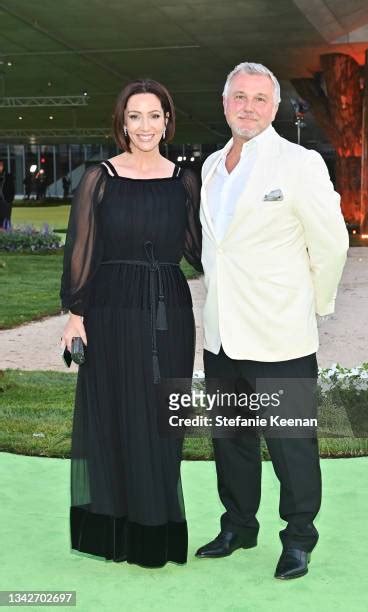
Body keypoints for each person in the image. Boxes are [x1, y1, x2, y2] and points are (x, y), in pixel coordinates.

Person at [195, 62, 349, 579]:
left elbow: (330, 242)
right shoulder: (212, 166)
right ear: (225, 103)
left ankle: (299, 537)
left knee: (291, 446)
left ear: (275, 106)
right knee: (232, 441)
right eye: (239, 96)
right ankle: (239, 525)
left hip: (281, 333)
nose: (248, 107)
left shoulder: (299, 163)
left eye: (260, 99)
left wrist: (314, 304)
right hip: (221, 334)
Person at [60, 79, 202, 568]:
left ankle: (155, 530)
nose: (145, 126)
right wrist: (76, 314)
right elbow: (82, 248)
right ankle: (113, 530)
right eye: (135, 116)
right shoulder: (100, 177)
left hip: (170, 312)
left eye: (154, 115)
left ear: (168, 120)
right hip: (112, 308)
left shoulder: (185, 179)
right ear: (122, 123)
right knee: (116, 412)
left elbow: (201, 250)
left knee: (165, 417)